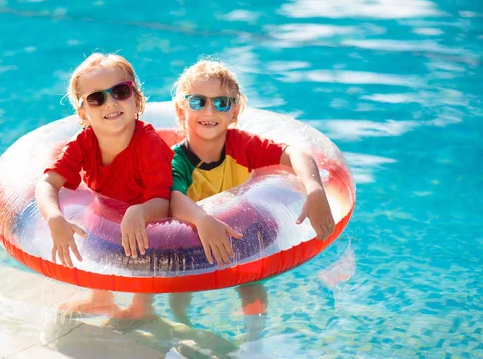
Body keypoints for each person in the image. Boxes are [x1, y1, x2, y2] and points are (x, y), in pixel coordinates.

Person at [168, 59, 335, 339]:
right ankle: (184, 327)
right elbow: (172, 198)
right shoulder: (176, 159)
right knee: (183, 288)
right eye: (198, 102)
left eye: (221, 103)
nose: (209, 110)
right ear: (180, 109)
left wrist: (314, 190)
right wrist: (202, 219)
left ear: (234, 111)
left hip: (242, 233)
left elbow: (297, 154)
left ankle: (254, 341)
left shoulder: (242, 146)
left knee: (251, 283)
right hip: (193, 238)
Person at [35, 53, 173, 319]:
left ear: (137, 100)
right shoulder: (83, 142)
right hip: (106, 215)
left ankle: (141, 307)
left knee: (144, 250)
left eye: (120, 91)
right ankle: (101, 299)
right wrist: (55, 218)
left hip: (148, 224)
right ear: (83, 113)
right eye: (96, 98)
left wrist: (140, 212)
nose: (110, 103)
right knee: (95, 229)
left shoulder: (149, 145)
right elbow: (47, 183)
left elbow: (164, 203)